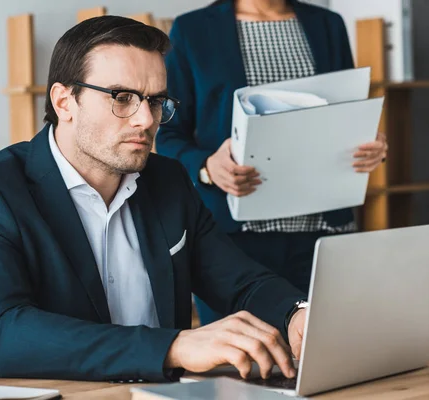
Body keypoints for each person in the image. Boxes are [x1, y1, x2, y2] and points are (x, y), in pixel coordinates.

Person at [0, 16, 311, 383]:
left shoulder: (168, 181)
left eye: (156, 101)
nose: (145, 120)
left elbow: (241, 282)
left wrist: (298, 314)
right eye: (122, 98)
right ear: (64, 101)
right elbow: (4, 336)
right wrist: (173, 348)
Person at [155, 0, 388, 325]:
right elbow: (166, 134)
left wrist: (372, 143)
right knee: (239, 364)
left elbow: (346, 113)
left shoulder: (327, 24)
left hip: (323, 233)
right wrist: (206, 166)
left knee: (333, 354)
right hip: (233, 240)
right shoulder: (193, 29)